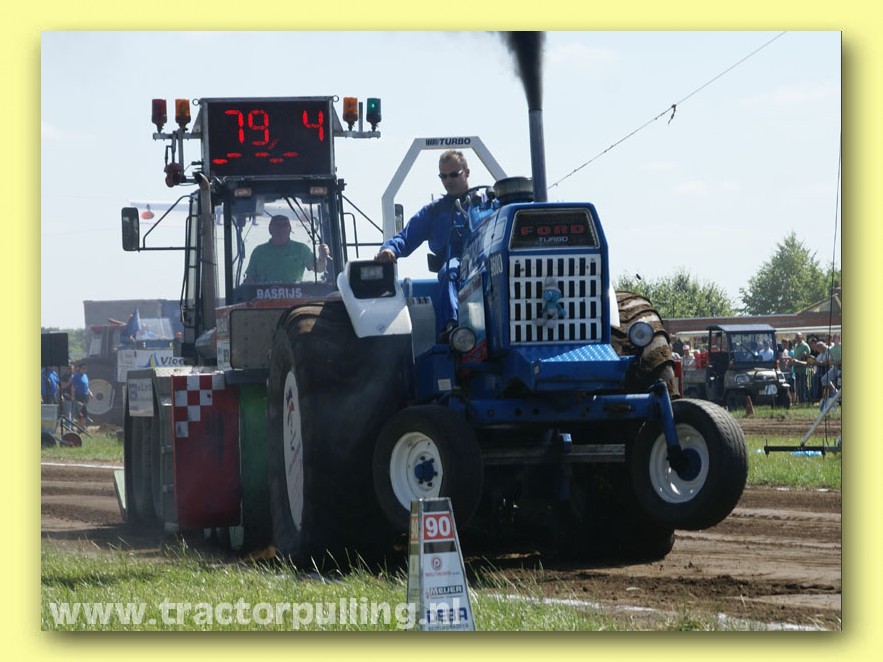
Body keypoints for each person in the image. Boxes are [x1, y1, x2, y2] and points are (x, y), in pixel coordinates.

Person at [375, 150, 471, 342]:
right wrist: (390, 249)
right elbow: (406, 236)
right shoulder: (434, 211)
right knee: (449, 271)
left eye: (453, 174)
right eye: (443, 176)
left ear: (467, 173)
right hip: (456, 263)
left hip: (485, 260)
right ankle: (452, 327)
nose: (448, 180)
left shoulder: (487, 204)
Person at [243, 214, 329, 284]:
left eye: (284, 225)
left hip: (295, 298)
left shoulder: (301, 249)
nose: (281, 229)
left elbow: (318, 268)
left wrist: (322, 258)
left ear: (290, 229)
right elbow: (250, 279)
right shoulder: (259, 252)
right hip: (263, 299)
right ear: (270, 229)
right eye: (277, 225)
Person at [791, 332, 812, 404]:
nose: (797, 339)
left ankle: (805, 401)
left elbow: (809, 358)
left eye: (799, 337)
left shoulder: (805, 346)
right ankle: (800, 400)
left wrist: (800, 361)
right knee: (798, 386)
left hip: (803, 369)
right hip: (796, 369)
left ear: (802, 338)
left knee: (803, 386)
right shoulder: (796, 345)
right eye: (796, 337)